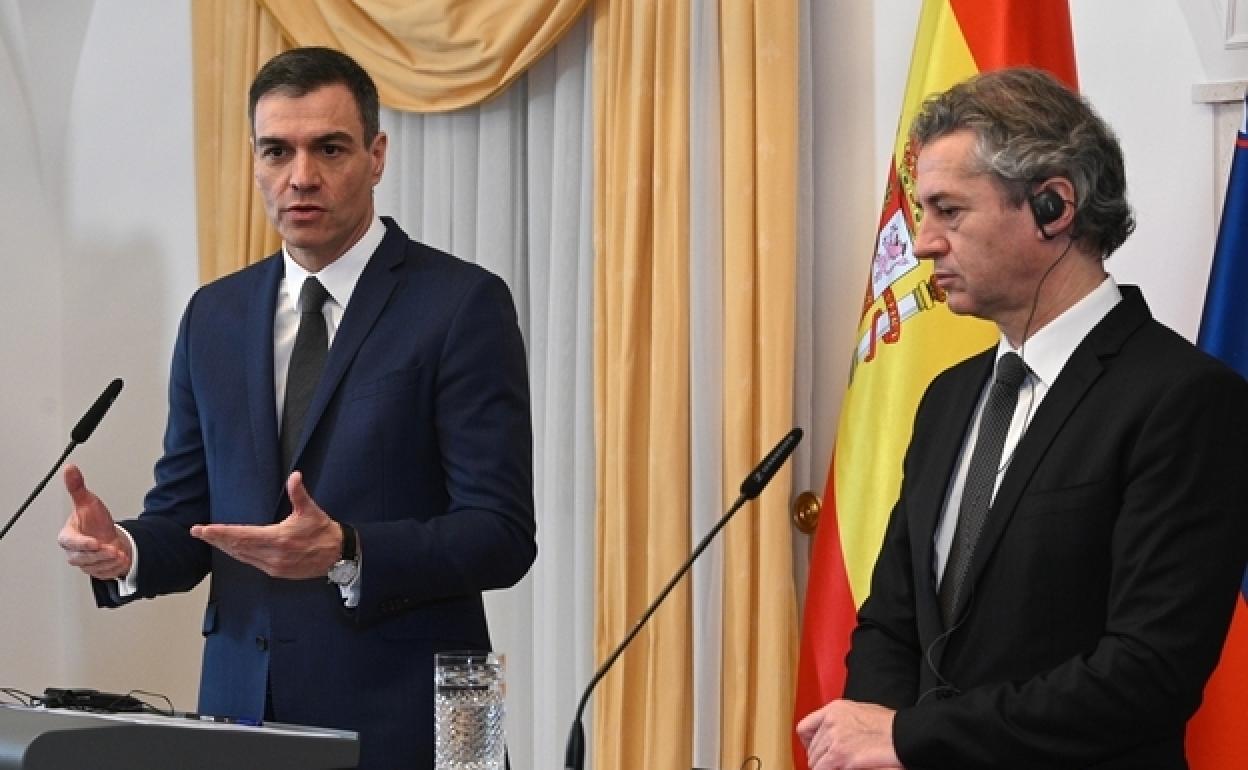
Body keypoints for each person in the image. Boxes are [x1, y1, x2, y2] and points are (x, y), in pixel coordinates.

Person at [56, 46, 536, 769]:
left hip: (412, 720)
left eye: (329, 149)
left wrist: (348, 551)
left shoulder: (461, 304)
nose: (301, 175)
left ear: (376, 156)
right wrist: (125, 550)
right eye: (276, 150)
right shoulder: (214, 315)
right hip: (242, 714)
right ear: (255, 161)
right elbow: (192, 519)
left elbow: (501, 534)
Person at [798, 67, 1248, 769]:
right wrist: (878, 741)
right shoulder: (947, 397)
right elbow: (891, 620)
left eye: (949, 211)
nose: (922, 243)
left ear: (1052, 206)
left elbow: (1147, 673)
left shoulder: (1182, 397)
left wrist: (912, 739)